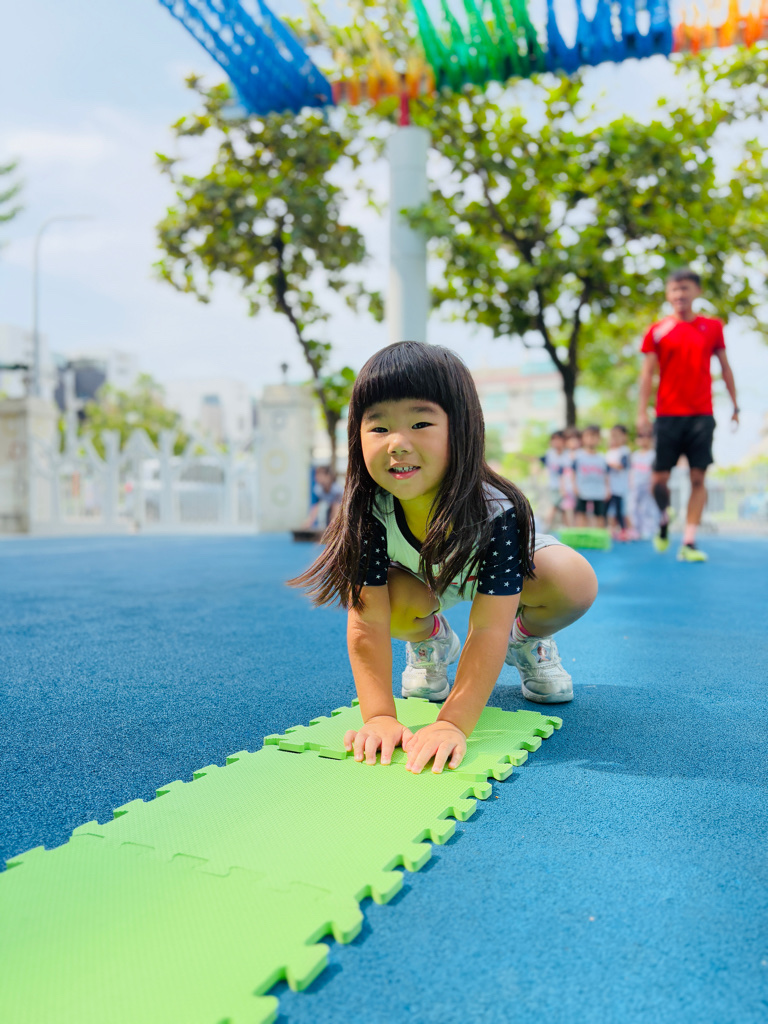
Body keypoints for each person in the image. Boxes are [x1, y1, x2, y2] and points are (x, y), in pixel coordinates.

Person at [290, 342, 598, 775]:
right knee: (386, 602)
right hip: (421, 584)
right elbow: (367, 621)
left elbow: (488, 626)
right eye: (379, 427)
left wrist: (452, 723)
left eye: (420, 423)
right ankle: (430, 639)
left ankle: (527, 639)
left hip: (502, 584)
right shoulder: (368, 510)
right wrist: (378, 716)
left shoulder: (498, 511)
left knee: (573, 581)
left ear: (463, 428)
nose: (397, 444)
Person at [637, 268, 739, 562]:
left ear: (697, 292)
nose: (680, 294)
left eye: (685, 288)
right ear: (668, 295)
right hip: (667, 415)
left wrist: (735, 405)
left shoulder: (713, 327)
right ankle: (664, 518)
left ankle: (689, 541)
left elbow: (725, 367)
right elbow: (647, 373)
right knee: (658, 480)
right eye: (674, 289)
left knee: (698, 477)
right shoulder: (657, 330)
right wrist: (641, 413)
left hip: (701, 415)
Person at [573, 426, 610, 528]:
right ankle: (580, 533)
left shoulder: (602, 457)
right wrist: (574, 486)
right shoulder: (578, 456)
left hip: (599, 491)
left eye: (594, 436)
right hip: (583, 490)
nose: (591, 439)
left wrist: (608, 489)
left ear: (599, 439)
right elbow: (573, 473)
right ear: (583, 438)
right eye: (588, 436)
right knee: (581, 513)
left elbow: (606, 474)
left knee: (600, 514)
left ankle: (600, 534)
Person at [630, 427, 658, 540]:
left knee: (647, 507)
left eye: (646, 437)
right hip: (636, 485)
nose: (643, 440)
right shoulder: (635, 455)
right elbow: (632, 471)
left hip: (647, 485)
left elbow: (654, 472)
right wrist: (631, 482)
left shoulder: (653, 455)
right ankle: (637, 529)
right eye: (641, 437)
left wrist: (652, 485)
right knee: (634, 507)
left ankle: (649, 529)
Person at [605, 425, 631, 539]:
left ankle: (624, 530)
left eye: (617, 436)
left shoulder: (624, 450)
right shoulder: (609, 452)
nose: (614, 439)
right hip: (609, 487)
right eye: (613, 436)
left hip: (619, 487)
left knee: (619, 510)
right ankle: (611, 529)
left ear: (624, 437)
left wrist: (608, 464)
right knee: (608, 510)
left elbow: (622, 465)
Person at [300, 465, 343, 531]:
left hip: (342, 508)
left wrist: (334, 522)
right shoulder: (318, 489)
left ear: (328, 476)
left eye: (320, 474)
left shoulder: (337, 489)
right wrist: (309, 521)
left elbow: (336, 507)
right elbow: (315, 506)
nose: (317, 477)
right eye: (317, 474)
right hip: (331, 508)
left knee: (335, 520)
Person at [541, 430, 566, 532]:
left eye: (558, 440)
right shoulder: (549, 454)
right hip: (554, 486)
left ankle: (566, 529)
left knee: (565, 508)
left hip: (567, 487)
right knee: (553, 506)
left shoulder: (567, 455)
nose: (556, 442)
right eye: (554, 440)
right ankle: (545, 527)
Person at [559, 427, 581, 526]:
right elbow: (561, 474)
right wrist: (562, 488)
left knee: (580, 509)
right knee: (568, 507)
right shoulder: (564, 456)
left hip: (580, 487)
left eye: (576, 439)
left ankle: (579, 528)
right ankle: (570, 528)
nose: (573, 441)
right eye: (570, 439)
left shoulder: (582, 455)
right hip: (567, 487)